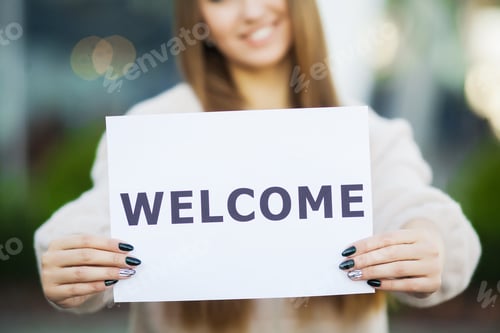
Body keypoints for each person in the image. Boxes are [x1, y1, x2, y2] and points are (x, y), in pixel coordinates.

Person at [34, 0, 481, 332]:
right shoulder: (153, 128)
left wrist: (428, 240)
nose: (250, 11)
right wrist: (72, 257)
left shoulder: (368, 133)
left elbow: (413, 205)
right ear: (198, 18)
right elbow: (97, 215)